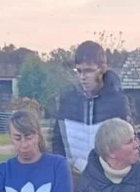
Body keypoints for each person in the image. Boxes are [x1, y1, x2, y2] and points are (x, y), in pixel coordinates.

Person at [51, 41, 132, 176]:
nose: (83, 77)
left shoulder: (118, 102)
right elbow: (57, 141)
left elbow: (129, 143)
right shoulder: (67, 100)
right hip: (74, 178)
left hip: (107, 179)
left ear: (103, 69)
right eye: (79, 71)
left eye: (89, 70)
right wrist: (64, 168)